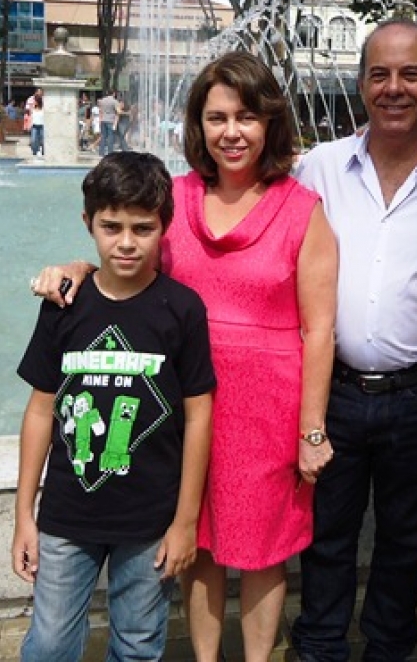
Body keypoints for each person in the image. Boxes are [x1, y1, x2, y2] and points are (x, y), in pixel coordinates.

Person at [33, 51, 338, 662]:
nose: (232, 132)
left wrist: (311, 430)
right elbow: (126, 260)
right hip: (179, 409)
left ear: (270, 122)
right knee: (198, 541)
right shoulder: (175, 199)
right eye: (216, 117)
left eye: (246, 117)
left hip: (267, 410)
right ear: (198, 124)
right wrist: (78, 267)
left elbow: (321, 328)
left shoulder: (303, 210)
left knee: (263, 550)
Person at [290, 19, 417, 662]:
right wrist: (101, 272)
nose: (393, 88)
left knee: (405, 540)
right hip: (335, 391)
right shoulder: (319, 169)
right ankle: (319, 647)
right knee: (326, 536)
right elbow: (247, 229)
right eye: (379, 74)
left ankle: (389, 649)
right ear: (361, 84)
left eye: (409, 74)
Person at [15, 151, 215, 662]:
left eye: (142, 228)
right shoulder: (63, 304)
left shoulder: (182, 310)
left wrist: (185, 521)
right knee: (49, 643)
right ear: (88, 223)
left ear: (164, 227)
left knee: (138, 644)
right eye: (112, 227)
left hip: (150, 518)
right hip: (66, 513)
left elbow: (198, 415)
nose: (126, 242)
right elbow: (39, 411)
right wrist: (23, 515)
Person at [98, 89, 119, 156]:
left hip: (103, 120)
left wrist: (100, 120)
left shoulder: (102, 100)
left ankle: (101, 152)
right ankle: (110, 153)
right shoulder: (115, 101)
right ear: (113, 94)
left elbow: (100, 111)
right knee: (110, 137)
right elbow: (118, 111)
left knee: (103, 137)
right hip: (111, 120)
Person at [29, 90, 45, 157]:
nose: (34, 102)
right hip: (34, 126)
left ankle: (43, 152)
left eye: (35, 101)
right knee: (33, 140)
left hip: (42, 126)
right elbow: (31, 117)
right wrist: (29, 125)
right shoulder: (32, 109)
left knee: (43, 140)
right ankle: (35, 151)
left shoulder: (43, 109)